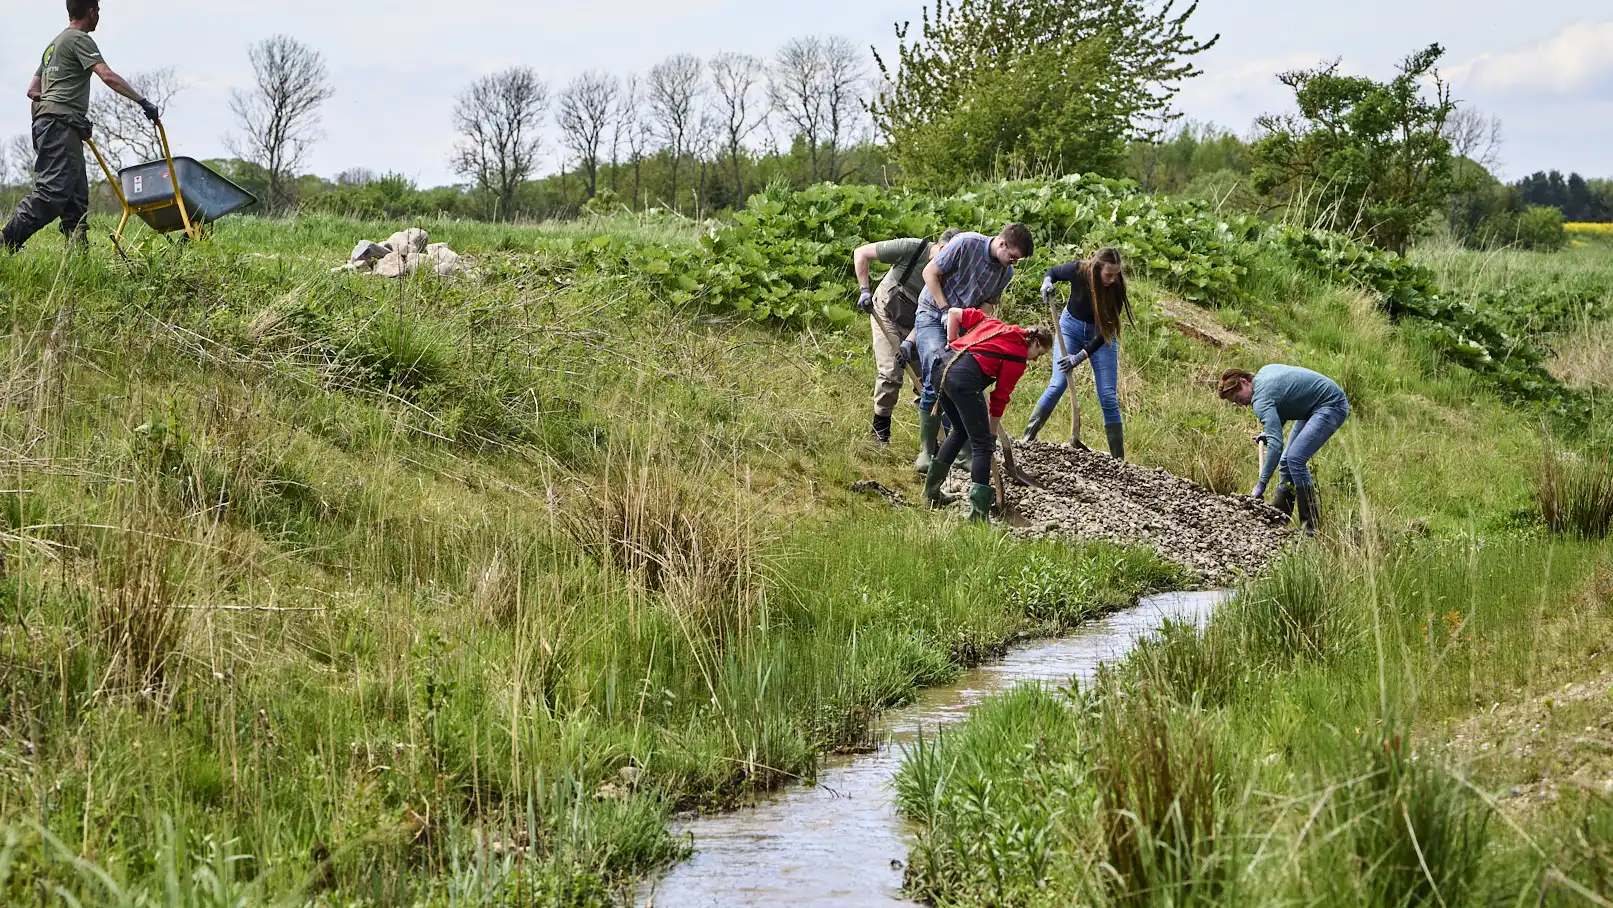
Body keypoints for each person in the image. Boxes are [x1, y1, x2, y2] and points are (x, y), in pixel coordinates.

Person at [2, 0, 160, 253]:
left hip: (55, 124)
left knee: (76, 197)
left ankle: (77, 257)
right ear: (92, 12)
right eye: (98, 12)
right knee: (52, 192)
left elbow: (33, 90)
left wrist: (58, 108)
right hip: (59, 127)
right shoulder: (79, 39)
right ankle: (6, 241)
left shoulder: (54, 45)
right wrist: (143, 101)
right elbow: (106, 75)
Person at [910, 223, 1035, 473]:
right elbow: (929, 273)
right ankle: (927, 451)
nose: (1013, 263)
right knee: (938, 367)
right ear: (1001, 243)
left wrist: (975, 334)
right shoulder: (965, 243)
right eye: (1012, 257)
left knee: (961, 381)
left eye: (1017, 260)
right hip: (932, 314)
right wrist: (946, 310)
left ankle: (960, 452)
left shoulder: (1005, 274)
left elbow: (986, 306)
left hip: (965, 327)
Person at [924, 306, 1053, 523]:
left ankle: (931, 493)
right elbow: (999, 398)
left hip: (941, 368)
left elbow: (954, 313)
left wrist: (952, 342)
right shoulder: (1016, 357)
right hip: (961, 380)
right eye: (1038, 355)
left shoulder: (993, 323)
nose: (1035, 360)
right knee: (982, 445)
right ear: (1036, 343)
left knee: (961, 431)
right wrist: (991, 434)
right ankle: (978, 514)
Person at [852, 228, 962, 446]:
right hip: (885, 315)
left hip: (919, 325)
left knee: (931, 380)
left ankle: (934, 441)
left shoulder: (950, 276)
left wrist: (909, 342)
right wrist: (864, 289)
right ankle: (880, 432)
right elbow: (861, 253)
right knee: (891, 372)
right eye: (948, 255)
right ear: (940, 247)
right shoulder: (912, 248)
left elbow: (927, 314)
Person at [1022, 248, 1132, 460]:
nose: (1113, 278)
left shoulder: (1116, 287)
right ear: (1096, 268)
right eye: (1109, 273)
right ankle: (1026, 440)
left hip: (1102, 336)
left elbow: (1105, 332)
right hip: (1070, 329)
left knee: (1107, 396)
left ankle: (1119, 460)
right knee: (1057, 384)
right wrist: (1046, 282)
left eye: (1116, 273)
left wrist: (1080, 357)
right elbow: (1053, 271)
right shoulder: (1078, 270)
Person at [1218, 365, 1351, 536]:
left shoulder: (1260, 400)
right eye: (1235, 402)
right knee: (1286, 462)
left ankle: (1310, 528)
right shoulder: (1264, 373)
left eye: (1237, 397)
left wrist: (1261, 484)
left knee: (1295, 459)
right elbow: (1285, 401)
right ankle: (1278, 519)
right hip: (1312, 407)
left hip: (1330, 405)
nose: (1240, 404)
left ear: (1244, 382)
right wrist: (1270, 431)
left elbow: (1276, 446)